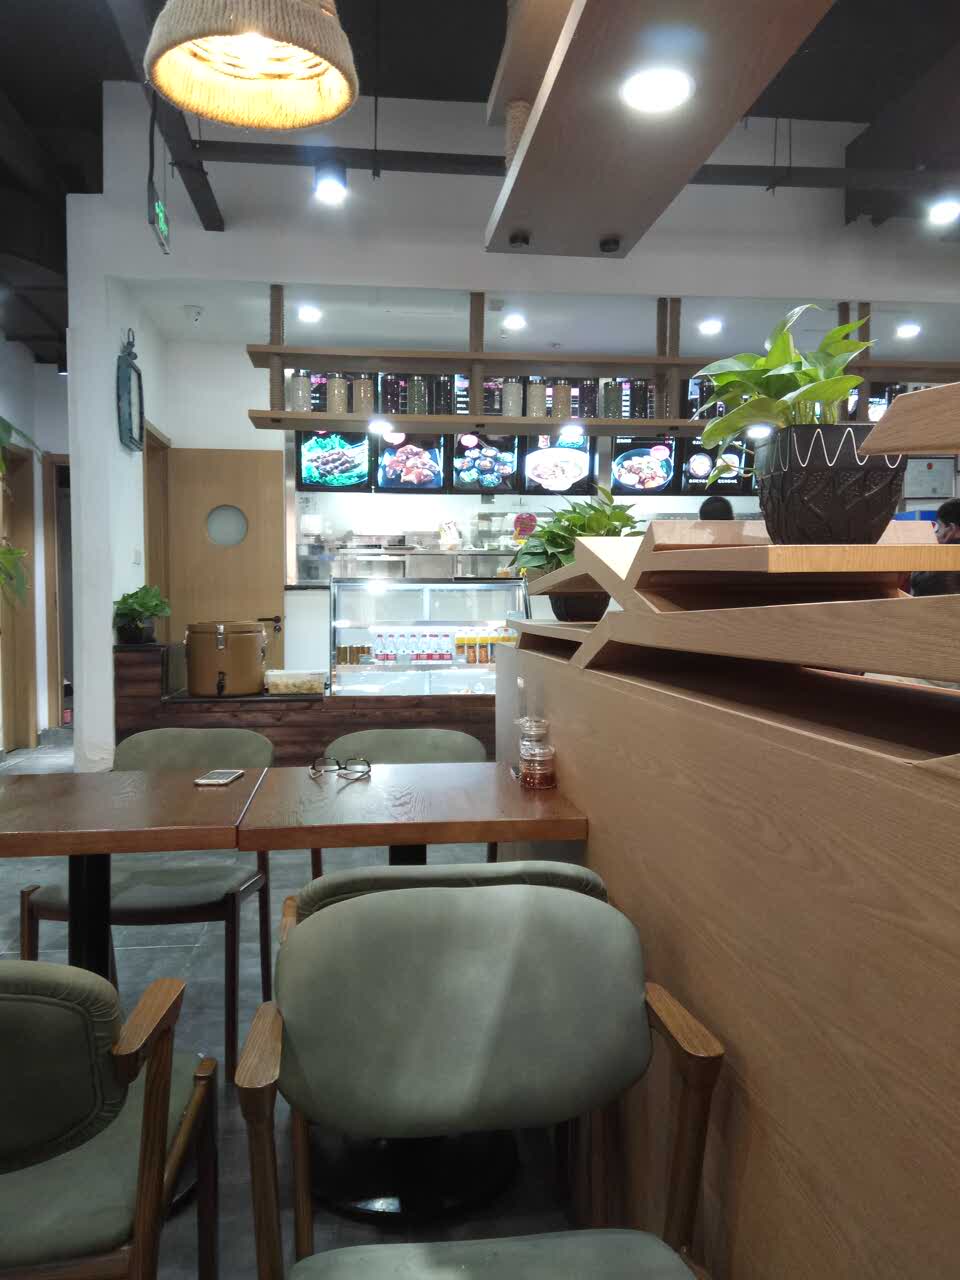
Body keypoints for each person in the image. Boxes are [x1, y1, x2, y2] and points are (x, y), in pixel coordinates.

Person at [910, 498, 960, 596]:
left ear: (951, 529)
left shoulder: (947, 558)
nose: (936, 534)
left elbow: (919, 583)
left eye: (939, 527)